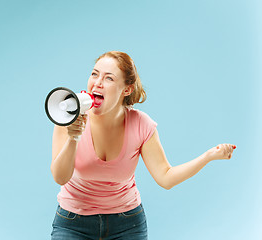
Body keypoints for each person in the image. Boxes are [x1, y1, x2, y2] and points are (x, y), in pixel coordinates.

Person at [50, 51, 236, 240]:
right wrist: (73, 137)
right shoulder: (67, 117)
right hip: (73, 221)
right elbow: (60, 177)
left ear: (127, 89)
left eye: (109, 78)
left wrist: (208, 156)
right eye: (95, 74)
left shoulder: (141, 125)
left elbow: (166, 178)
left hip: (127, 223)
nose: (97, 83)